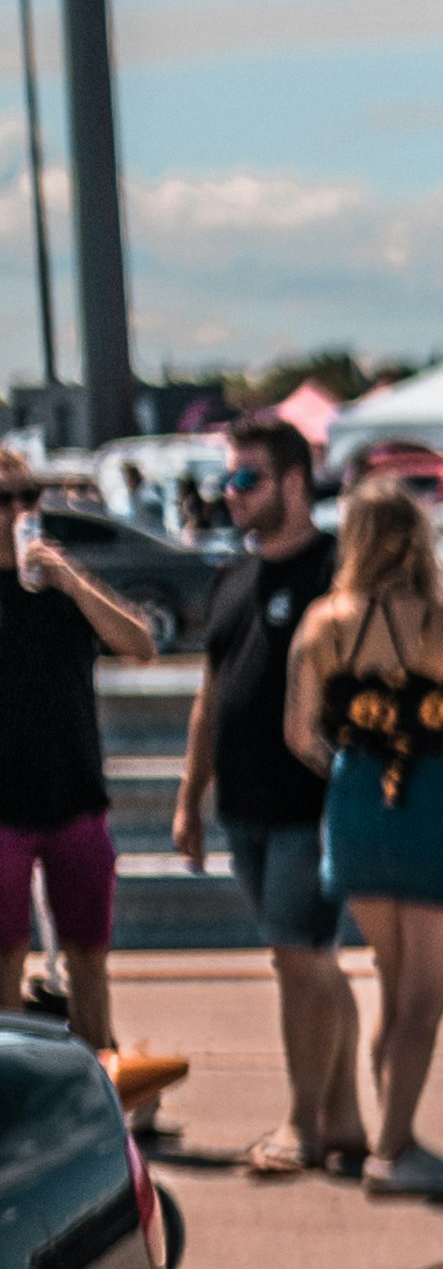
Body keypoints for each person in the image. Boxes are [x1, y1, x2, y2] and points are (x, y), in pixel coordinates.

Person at [283, 479, 443, 1200]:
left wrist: (347, 768)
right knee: (424, 996)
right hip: (433, 797)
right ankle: (395, 1147)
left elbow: (297, 733)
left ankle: (395, 1132)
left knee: (391, 975)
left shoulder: (324, 622)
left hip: (356, 803)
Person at [169, 414, 367, 1175]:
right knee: (309, 961)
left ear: (293, 481)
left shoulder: (336, 573)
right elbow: (211, 697)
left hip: (312, 806)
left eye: (247, 478)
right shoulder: (231, 577)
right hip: (242, 808)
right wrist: (191, 799)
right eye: (228, 479)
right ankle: (344, 1116)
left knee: (297, 957)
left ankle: (302, 1124)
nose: (232, 494)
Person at [0, 442, 171, 1080]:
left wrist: (70, 578)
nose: (18, 510)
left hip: (74, 794)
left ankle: (105, 1088)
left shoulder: (64, 586)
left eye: (28, 496)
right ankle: (22, 1096)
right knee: (6, 959)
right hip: (5, 808)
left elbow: (142, 644)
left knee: (89, 955)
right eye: (4, 499)